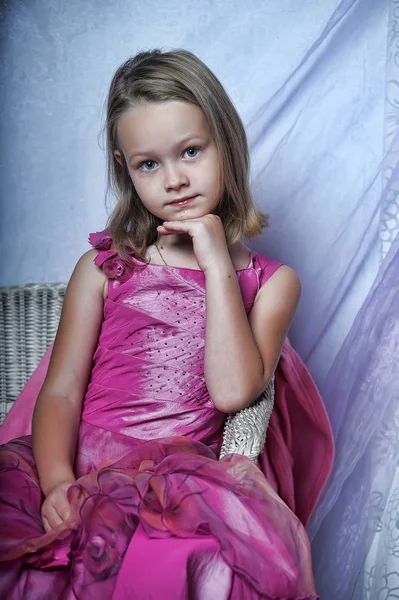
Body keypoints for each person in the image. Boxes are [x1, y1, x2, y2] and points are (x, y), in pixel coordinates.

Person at [0, 49, 334, 599]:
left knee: (189, 566)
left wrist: (216, 264)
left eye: (191, 152)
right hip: (81, 469)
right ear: (125, 168)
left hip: (178, 492)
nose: (174, 180)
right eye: (148, 164)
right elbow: (60, 390)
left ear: (225, 144)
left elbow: (231, 391)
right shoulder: (106, 268)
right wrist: (57, 483)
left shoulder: (272, 284)